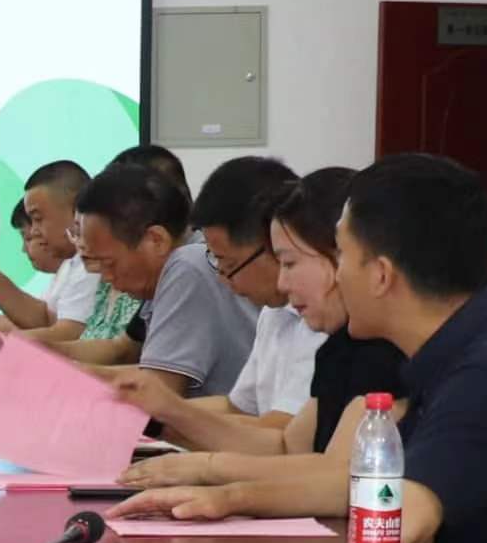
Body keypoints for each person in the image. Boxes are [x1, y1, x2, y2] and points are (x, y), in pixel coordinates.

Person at [110, 154, 487, 543]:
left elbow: (402, 516)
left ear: (381, 275)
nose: (336, 275)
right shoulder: (456, 349)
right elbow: (352, 481)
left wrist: (226, 491)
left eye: (343, 255)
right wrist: (224, 494)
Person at [110, 168, 409, 484]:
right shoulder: (340, 348)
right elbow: (286, 447)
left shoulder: (389, 356)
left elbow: (336, 479)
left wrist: (209, 471)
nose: (282, 282)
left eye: (289, 263)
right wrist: (163, 416)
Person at [111, 155, 307, 443]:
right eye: (216, 261)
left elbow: (278, 434)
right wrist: (147, 410)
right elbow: (236, 407)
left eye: (229, 264)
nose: (224, 280)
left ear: (274, 245)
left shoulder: (317, 324)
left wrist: (165, 416)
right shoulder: (273, 313)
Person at [63, 163, 253, 394]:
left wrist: (66, 374)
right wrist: (43, 353)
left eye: (109, 263)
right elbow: (125, 350)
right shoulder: (166, 268)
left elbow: (158, 389)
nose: (106, 277)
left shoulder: (187, 267)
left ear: (155, 240)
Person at [0, 158, 100, 350]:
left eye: (38, 219)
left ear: (76, 209)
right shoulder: (73, 263)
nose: (34, 231)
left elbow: (69, 334)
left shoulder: (91, 265)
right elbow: (42, 318)